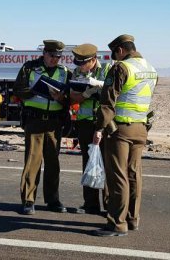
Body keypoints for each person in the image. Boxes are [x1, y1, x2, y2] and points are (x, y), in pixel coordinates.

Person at [92, 34, 158, 236]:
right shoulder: (151, 69)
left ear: (120, 50)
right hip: (140, 128)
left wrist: (99, 128)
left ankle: (117, 223)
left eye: (115, 54)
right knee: (134, 174)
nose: (115, 59)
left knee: (117, 176)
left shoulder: (122, 67)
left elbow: (108, 101)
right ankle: (132, 219)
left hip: (120, 129)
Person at [13, 39, 72, 215]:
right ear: (45, 53)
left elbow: (70, 97)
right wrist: (36, 90)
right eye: (52, 55)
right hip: (35, 120)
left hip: (55, 122)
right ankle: (28, 200)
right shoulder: (29, 68)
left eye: (59, 56)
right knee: (32, 161)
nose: (55, 59)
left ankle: (53, 200)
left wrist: (62, 98)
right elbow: (17, 90)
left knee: (53, 163)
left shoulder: (65, 72)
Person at [69, 43, 111, 215]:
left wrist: (99, 86)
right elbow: (72, 98)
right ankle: (90, 205)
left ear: (93, 60)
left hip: (104, 123)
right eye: (77, 63)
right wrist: (86, 94)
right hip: (85, 123)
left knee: (106, 164)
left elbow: (113, 92)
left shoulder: (107, 69)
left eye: (83, 63)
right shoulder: (77, 72)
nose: (79, 67)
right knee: (88, 163)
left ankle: (109, 206)